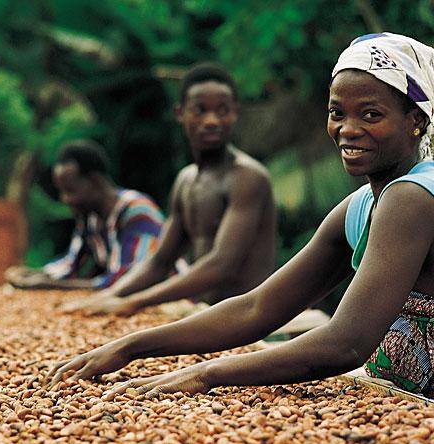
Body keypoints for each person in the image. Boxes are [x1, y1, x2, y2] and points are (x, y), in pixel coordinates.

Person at [46, 34, 434, 405]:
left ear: (416, 121)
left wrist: (206, 375)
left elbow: (344, 344)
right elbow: (259, 307)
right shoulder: (364, 206)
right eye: (337, 112)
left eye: (372, 115)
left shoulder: (413, 199)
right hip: (416, 395)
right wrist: (132, 346)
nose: (348, 129)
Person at [62, 63, 276, 316]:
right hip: (205, 313)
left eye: (223, 111)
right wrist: (110, 295)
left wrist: (135, 302)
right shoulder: (186, 181)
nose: (212, 121)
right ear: (180, 113)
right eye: (200, 110)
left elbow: (222, 265)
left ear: (235, 114)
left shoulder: (248, 177)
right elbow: (159, 262)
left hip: (247, 317)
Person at [5, 140, 165, 290]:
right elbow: (70, 265)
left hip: (171, 304)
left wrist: (49, 284)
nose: (65, 199)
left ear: (95, 181)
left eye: (70, 191)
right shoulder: (91, 218)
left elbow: (128, 280)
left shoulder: (137, 211)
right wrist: (33, 274)